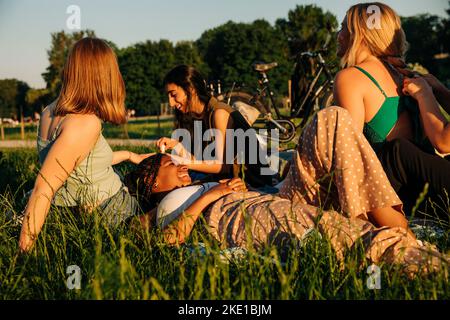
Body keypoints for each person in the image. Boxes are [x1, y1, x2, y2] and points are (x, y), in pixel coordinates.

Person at [125, 107, 449, 276]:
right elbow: (154, 241)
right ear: (153, 181)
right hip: (239, 216)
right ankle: (419, 257)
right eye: (171, 164)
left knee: (331, 119)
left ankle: (383, 219)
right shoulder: (165, 206)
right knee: (348, 238)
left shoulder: (190, 182)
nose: (181, 165)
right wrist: (210, 196)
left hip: (270, 197)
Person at [18, 38, 153, 252]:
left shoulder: (50, 111)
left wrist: (129, 155)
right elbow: (43, 188)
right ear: (103, 76)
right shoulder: (84, 123)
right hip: (109, 210)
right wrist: (24, 251)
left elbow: (79, 163)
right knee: (168, 206)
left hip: (77, 203)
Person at [333, 2, 450, 217]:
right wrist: (439, 91)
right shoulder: (408, 76)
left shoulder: (351, 78)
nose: (338, 35)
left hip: (400, 194)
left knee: (396, 151)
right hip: (426, 189)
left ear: (359, 35)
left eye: (343, 27)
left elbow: (349, 155)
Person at [156, 65, 273, 188]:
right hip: (228, 178)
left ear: (191, 89)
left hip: (251, 182)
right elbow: (200, 161)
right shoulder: (198, 116)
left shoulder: (219, 113)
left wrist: (180, 161)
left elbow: (221, 166)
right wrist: (177, 146)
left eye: (173, 95)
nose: (170, 103)